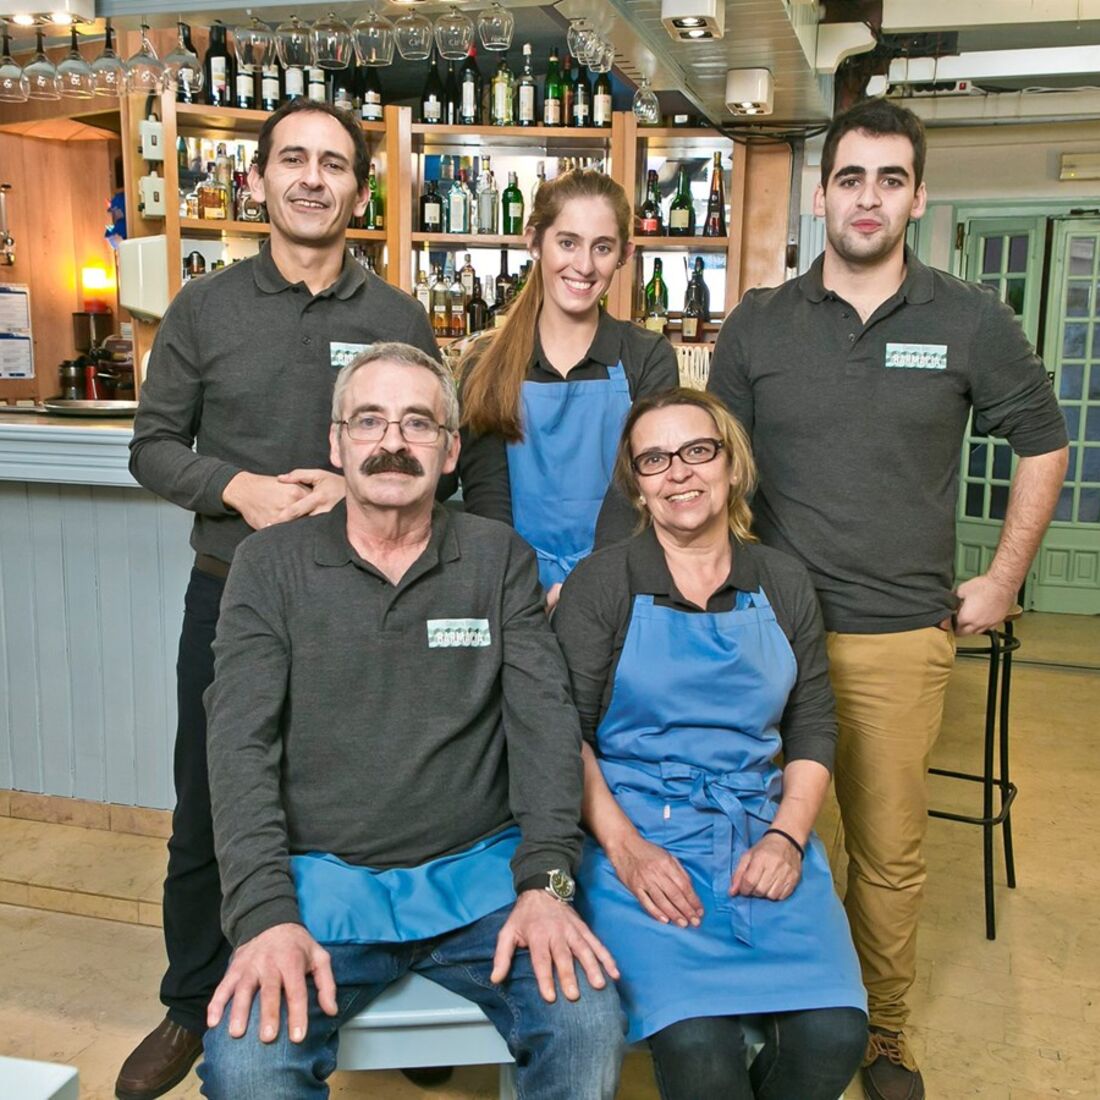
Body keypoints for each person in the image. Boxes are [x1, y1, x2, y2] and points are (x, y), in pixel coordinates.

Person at [707, 97, 1069, 1100]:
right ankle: (776, 1014)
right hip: (766, 638)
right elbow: (715, 465)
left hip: (897, 638)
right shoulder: (760, 321)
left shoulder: (967, 319)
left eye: (889, 179)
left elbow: (1044, 443)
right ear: (820, 196)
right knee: (768, 838)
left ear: (917, 197)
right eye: (850, 178)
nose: (867, 198)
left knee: (886, 852)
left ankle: (883, 1029)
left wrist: (1003, 577)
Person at [197, 343, 624, 1099]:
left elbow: (544, 727)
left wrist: (547, 883)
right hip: (323, 886)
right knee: (249, 1067)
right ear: (336, 444)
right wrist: (264, 916)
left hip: (483, 882)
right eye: (369, 420)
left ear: (450, 451)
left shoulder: (498, 559)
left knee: (586, 1023)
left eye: (418, 423)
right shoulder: (270, 565)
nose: (392, 442)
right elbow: (239, 750)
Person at [120, 99, 439, 1100]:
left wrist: (357, 485)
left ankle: (407, 990)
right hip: (230, 598)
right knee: (211, 805)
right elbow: (152, 446)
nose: (312, 178)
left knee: (384, 797)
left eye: (333, 164)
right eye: (293, 159)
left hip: (369, 603)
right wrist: (239, 489)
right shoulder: (203, 308)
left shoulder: (397, 318)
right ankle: (190, 1001)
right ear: (257, 179)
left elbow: (435, 456)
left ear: (359, 189)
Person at [553, 388, 868, 1100]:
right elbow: (564, 734)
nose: (679, 473)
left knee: (833, 1037)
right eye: (655, 459)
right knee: (700, 1048)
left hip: (760, 834)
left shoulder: (782, 581)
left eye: (697, 451)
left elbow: (813, 724)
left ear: (731, 464)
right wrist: (628, 853)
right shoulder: (602, 584)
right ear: (637, 485)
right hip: (639, 840)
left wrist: (787, 838)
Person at [457, 168, 679, 609]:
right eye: (567, 243)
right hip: (511, 589)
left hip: (619, 584)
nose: (584, 265)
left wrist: (589, 589)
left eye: (602, 247)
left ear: (625, 254)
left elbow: (642, 485)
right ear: (534, 241)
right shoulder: (486, 361)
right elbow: (487, 493)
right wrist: (518, 592)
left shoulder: (646, 357)